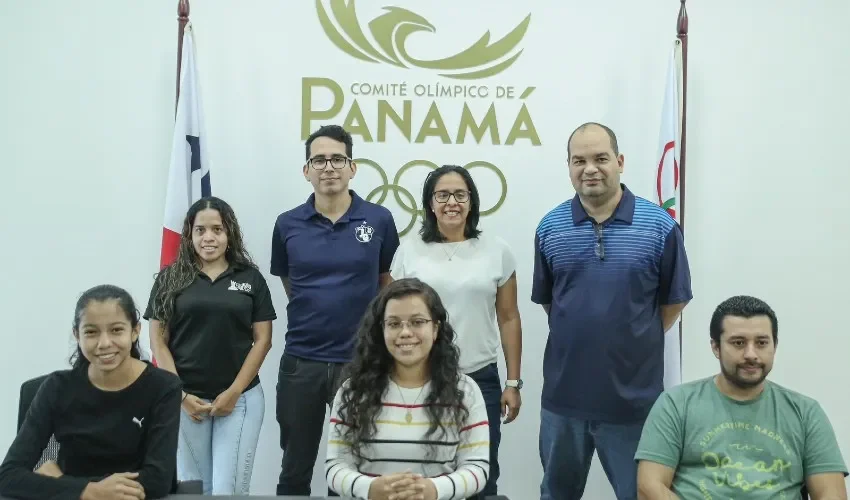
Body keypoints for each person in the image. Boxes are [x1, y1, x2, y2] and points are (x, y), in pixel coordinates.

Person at [531, 122, 693, 499]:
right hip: (564, 402)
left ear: (619, 162)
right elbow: (551, 303)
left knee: (640, 494)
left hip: (634, 404)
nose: (590, 168)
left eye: (601, 158)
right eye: (579, 160)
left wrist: (634, 335)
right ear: (569, 167)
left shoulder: (659, 227)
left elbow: (674, 301)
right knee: (557, 493)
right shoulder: (550, 228)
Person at [270, 124, 400, 496]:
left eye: (337, 159)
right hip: (301, 362)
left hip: (358, 362)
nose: (329, 167)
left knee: (350, 469)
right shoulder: (287, 224)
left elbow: (385, 280)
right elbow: (289, 282)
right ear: (307, 170)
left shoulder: (378, 219)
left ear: (352, 167)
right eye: (319, 159)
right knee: (294, 466)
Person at [390, 164, 523, 497]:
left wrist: (512, 382)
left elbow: (509, 318)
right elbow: (392, 319)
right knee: (422, 474)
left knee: (482, 474)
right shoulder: (409, 251)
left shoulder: (497, 250)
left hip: (480, 379)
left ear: (472, 202)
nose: (452, 202)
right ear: (430, 203)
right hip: (419, 378)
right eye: (443, 195)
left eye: (460, 195)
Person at [635, 295, 848, 499]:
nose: (751, 354)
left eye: (762, 343)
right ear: (716, 347)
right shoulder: (676, 404)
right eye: (738, 343)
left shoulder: (806, 413)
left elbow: (831, 494)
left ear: (775, 345)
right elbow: (649, 487)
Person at [145, 196, 277, 495]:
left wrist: (233, 393)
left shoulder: (250, 278)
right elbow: (157, 341)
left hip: (240, 400)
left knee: (227, 491)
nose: (208, 237)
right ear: (189, 236)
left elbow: (263, 340)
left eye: (217, 229)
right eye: (200, 230)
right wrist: (180, 394)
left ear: (229, 234)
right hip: (184, 403)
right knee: (196, 491)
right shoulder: (170, 279)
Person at [0, 284, 182, 500]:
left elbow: (157, 480)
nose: (104, 343)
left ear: (135, 331)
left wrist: (61, 483)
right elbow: (8, 476)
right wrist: (89, 491)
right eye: (91, 332)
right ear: (77, 335)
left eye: (116, 330)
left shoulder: (164, 387)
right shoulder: (56, 387)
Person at [325, 278, 490, 500]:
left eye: (417, 322)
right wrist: (370, 489)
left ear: (435, 329)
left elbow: (477, 468)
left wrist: (433, 491)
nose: (405, 332)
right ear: (381, 331)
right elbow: (335, 466)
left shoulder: (466, 391)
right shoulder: (353, 391)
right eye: (394, 324)